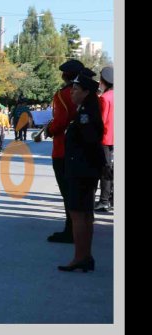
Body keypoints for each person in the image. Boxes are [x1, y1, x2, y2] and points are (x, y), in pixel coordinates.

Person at [58, 70, 106, 272]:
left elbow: (90, 142)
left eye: (76, 89)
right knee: (85, 214)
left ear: (86, 92)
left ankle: (80, 257)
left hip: (81, 170)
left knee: (78, 214)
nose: (72, 92)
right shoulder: (85, 111)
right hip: (86, 169)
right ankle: (85, 256)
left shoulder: (85, 114)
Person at [44, 59, 89, 243]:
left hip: (64, 148)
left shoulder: (63, 94)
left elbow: (60, 122)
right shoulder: (89, 93)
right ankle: (81, 228)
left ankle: (71, 231)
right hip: (84, 148)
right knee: (80, 192)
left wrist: (49, 130)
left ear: (65, 75)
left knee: (68, 192)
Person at [95, 66, 114, 213]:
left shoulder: (104, 98)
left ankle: (104, 201)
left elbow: (100, 122)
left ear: (103, 81)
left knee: (105, 171)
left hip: (106, 139)